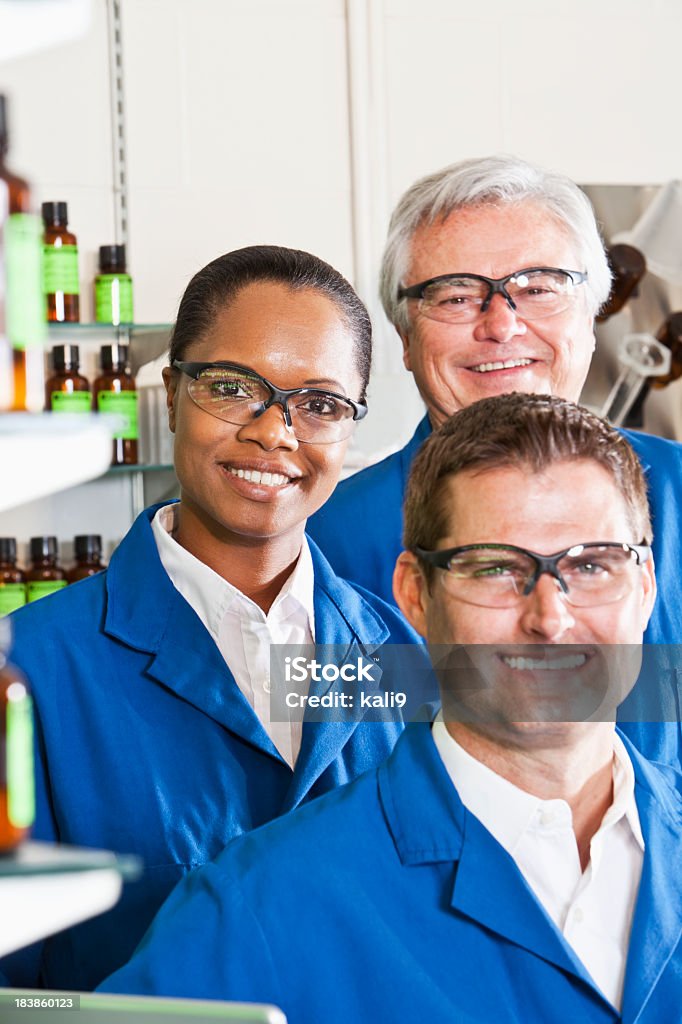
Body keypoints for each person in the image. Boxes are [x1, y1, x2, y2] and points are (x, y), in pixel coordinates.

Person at [99, 394, 682, 1024]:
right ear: (415, 594)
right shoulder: (264, 909)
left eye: (592, 565)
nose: (549, 617)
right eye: (493, 569)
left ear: (645, 586)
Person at [0, 246, 423, 991]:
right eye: (233, 388)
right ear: (171, 394)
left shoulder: (403, 657)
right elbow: (21, 996)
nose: (275, 432)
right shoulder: (33, 669)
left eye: (319, 403)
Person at [307, 155, 682, 655]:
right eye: (456, 298)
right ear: (405, 337)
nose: (502, 327)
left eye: (539, 288)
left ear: (590, 319)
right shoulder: (320, 547)